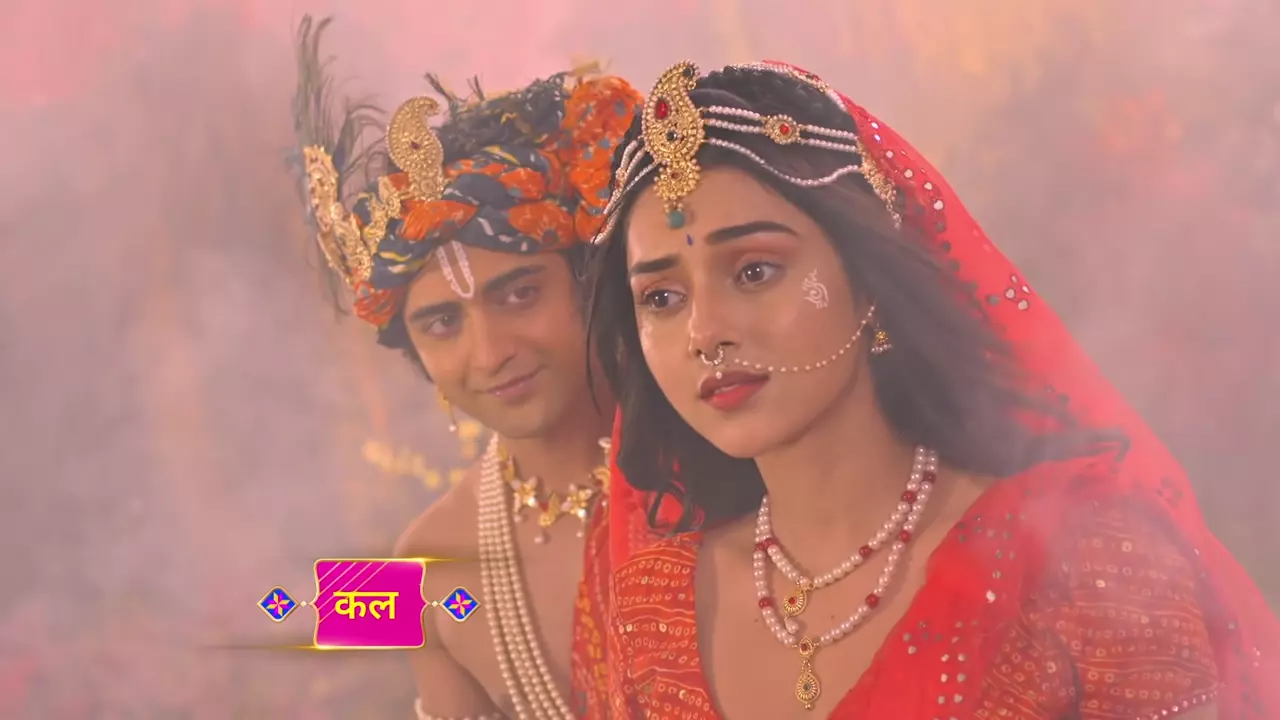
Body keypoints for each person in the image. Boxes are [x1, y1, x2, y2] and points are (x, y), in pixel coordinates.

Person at [585, 59, 1279, 719]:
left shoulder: (1084, 560)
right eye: (662, 297)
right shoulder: (651, 611)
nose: (705, 332)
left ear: (867, 285)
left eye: (755, 272)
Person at [290, 16, 641, 719]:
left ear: (588, 284)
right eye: (442, 323)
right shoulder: (417, 566)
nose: (490, 352)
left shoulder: (719, 452)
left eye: (519, 293)